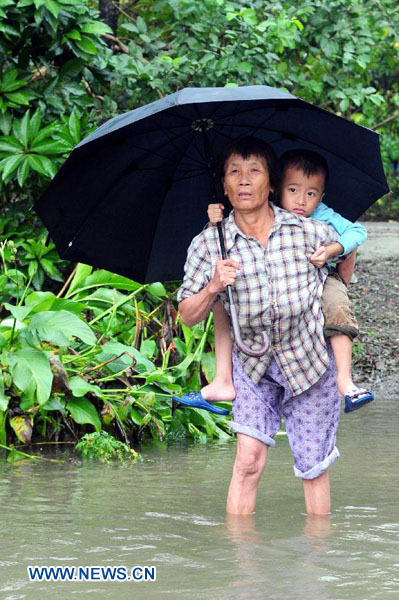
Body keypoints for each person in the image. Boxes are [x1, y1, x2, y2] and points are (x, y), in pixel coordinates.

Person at [175, 136, 342, 515]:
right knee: (248, 460)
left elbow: (344, 263)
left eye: (254, 171)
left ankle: (318, 561)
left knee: (313, 466)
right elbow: (187, 314)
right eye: (235, 172)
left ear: (271, 182)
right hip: (253, 366)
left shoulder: (309, 232)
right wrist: (214, 286)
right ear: (224, 184)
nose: (245, 181)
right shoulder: (207, 245)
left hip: (309, 361)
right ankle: (241, 565)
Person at [200, 149, 374, 414]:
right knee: (224, 302)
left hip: (323, 277)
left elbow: (357, 232)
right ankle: (224, 379)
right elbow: (227, 235)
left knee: (337, 305)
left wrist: (332, 249)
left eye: (311, 194)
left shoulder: (323, 215)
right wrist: (215, 221)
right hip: (275, 294)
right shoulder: (267, 212)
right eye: (293, 190)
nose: (301, 201)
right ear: (276, 188)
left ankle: (345, 381)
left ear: (321, 197)